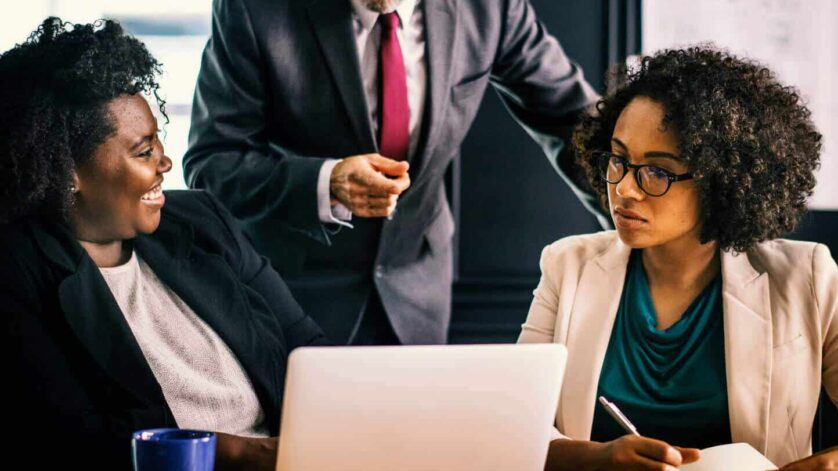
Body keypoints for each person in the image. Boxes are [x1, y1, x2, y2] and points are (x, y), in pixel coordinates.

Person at [0, 18, 328, 471]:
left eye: (158, 142)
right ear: (67, 172)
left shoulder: (203, 221)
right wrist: (243, 453)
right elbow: (71, 438)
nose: (165, 163)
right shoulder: (17, 271)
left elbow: (308, 352)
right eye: (143, 151)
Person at [183, 0, 602, 345]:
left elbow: (577, 123)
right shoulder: (252, 9)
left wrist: (634, 226)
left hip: (419, 288)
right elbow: (213, 162)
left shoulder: (491, 8)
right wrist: (326, 183)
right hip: (292, 292)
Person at [518, 46, 837, 470]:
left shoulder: (807, 277)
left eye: (658, 171)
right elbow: (516, 421)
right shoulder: (567, 265)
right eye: (618, 159)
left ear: (722, 180)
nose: (624, 189)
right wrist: (593, 459)